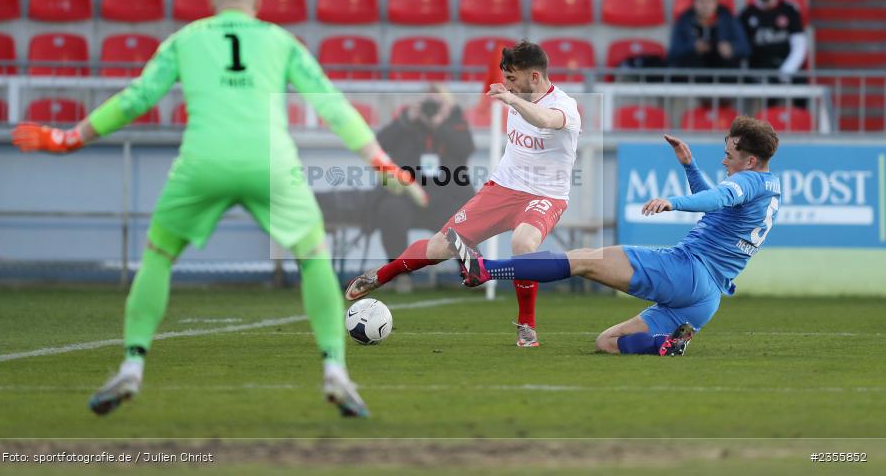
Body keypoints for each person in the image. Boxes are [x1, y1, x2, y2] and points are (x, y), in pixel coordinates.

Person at [10, 0, 422, 418]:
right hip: (269, 163)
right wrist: (382, 163)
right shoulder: (280, 41)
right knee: (312, 258)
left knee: (159, 256)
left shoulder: (186, 40)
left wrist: (70, 138)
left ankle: (131, 365)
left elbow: (136, 98)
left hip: (202, 162)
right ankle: (335, 373)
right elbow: (333, 107)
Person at [446, 117, 781, 357]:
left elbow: (716, 199)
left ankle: (486, 270)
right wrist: (690, 167)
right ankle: (667, 345)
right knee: (607, 342)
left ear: (751, 161)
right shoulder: (768, 186)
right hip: (705, 300)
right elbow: (717, 205)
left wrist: (673, 202)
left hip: (686, 272)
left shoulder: (748, 182)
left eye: (730, 155)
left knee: (585, 260)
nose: (724, 160)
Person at [344, 41, 582, 348]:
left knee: (523, 243)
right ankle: (380, 275)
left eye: (512, 78)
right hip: (502, 189)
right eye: (504, 77)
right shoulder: (516, 97)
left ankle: (526, 325)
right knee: (439, 247)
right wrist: (509, 97)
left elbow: (546, 120)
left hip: (546, 196)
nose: (505, 84)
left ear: (534, 77)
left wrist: (510, 99)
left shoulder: (564, 106)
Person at [317, 85, 475, 261]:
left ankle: (471, 269)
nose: (431, 108)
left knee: (463, 217)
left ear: (448, 106)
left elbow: (465, 148)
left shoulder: (455, 124)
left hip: (445, 195)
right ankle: (400, 271)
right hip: (408, 195)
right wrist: (406, 120)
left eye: (437, 103)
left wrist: (440, 125)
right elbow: (380, 144)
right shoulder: (407, 124)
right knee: (391, 210)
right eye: (427, 102)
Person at [739, 0, 807, 86]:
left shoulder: (789, 10)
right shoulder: (746, 14)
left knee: (801, 82)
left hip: (785, 67)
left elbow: (799, 45)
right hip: (758, 70)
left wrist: (786, 72)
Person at [669, 0, 750, 74]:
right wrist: (693, 47)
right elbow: (673, 52)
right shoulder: (684, 21)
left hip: (722, 73)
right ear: (694, 2)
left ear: (716, 2)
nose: (705, 4)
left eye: (709, 0)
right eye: (701, 0)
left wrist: (731, 48)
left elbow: (745, 48)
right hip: (694, 74)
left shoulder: (728, 19)